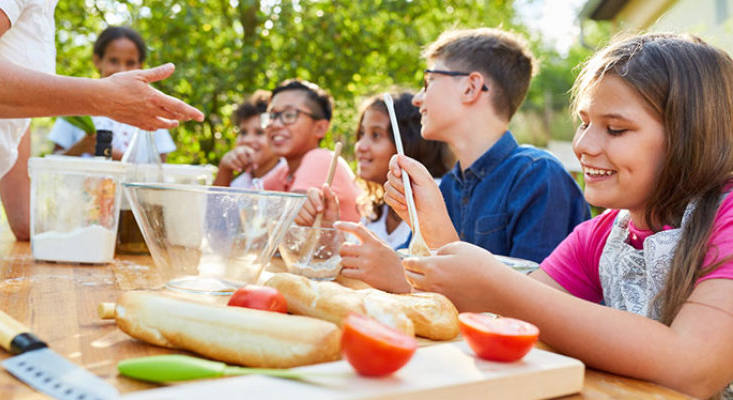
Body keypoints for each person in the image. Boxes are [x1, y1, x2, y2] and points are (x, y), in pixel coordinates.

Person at [402, 33, 733, 399]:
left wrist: (497, 285)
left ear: (691, 135)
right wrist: (439, 237)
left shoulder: (726, 218)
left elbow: (693, 367)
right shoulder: (600, 235)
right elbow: (513, 317)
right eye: (584, 122)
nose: (583, 146)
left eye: (616, 129)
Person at [0, 0, 203, 277]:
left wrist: (25, 219)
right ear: (97, 60)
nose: (121, 67)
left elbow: (9, 115)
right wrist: (101, 98)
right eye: (114, 60)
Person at [384, 28, 589, 264]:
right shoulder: (448, 187)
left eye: (429, 81)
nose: (417, 99)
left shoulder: (537, 177)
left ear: (471, 88)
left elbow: (530, 295)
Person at [295, 92, 454, 292]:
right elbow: (354, 267)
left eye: (376, 135)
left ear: (408, 143)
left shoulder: (439, 196)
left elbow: (445, 285)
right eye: (361, 134)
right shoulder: (377, 210)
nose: (360, 146)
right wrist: (328, 230)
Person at [49, 26, 177, 161]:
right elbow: (52, 160)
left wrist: (108, 152)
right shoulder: (78, 105)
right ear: (97, 61)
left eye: (130, 63)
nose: (122, 70)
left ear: (140, 66)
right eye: (113, 61)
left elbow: (160, 164)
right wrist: (80, 148)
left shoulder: (150, 109)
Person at [261, 79, 361, 222]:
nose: (275, 124)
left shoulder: (320, 158)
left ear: (320, 128)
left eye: (289, 115)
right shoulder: (284, 172)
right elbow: (240, 207)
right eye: (272, 116)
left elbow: (293, 215)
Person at [213, 90, 285, 188]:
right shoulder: (241, 182)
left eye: (259, 132)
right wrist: (224, 169)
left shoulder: (289, 175)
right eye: (243, 132)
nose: (248, 140)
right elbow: (214, 202)